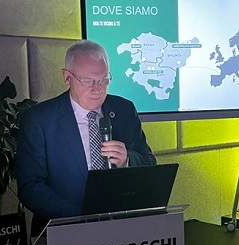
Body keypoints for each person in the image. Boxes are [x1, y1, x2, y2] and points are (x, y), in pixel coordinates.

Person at [15, 39, 156, 229]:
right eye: (88, 81)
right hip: (65, 230)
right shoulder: (40, 119)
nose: (97, 89)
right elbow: (30, 186)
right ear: (67, 77)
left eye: (103, 80)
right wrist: (80, 218)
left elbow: (149, 162)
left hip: (122, 229)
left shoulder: (124, 110)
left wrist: (127, 160)